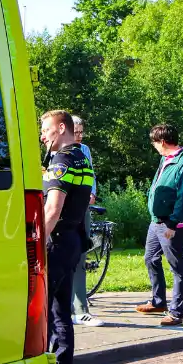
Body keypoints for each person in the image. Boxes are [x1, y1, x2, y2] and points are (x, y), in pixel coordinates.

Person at [38, 110, 94, 364]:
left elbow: (53, 208)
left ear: (62, 128)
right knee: (62, 313)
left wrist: (37, 240)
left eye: (46, 129)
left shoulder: (61, 161)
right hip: (72, 241)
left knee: (43, 315)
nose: (43, 136)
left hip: (56, 241)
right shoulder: (81, 158)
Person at [135, 123, 183, 326]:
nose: (154, 147)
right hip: (156, 222)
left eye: (155, 143)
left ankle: (176, 313)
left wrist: (172, 223)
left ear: (162, 142)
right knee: (150, 258)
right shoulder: (165, 159)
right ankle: (158, 301)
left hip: (171, 225)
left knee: (177, 268)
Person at [70, 115, 105, 328]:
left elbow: (91, 174)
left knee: (80, 256)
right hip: (60, 210)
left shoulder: (85, 150)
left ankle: (81, 310)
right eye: (76, 132)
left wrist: (91, 193)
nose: (80, 136)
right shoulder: (52, 151)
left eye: (81, 131)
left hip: (81, 209)